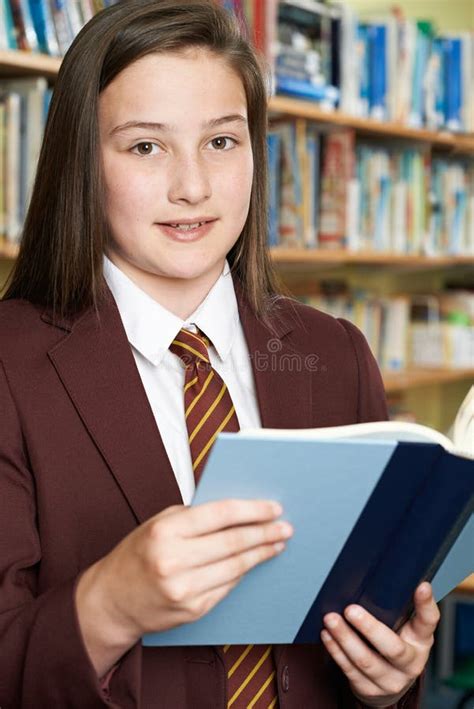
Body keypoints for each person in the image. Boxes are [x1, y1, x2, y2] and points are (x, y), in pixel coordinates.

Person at [0, 1, 440, 707]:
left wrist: (390, 678)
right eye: (147, 146)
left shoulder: (338, 353)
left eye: (222, 142)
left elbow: (368, 625)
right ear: (83, 160)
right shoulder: (9, 365)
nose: (193, 187)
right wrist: (108, 604)